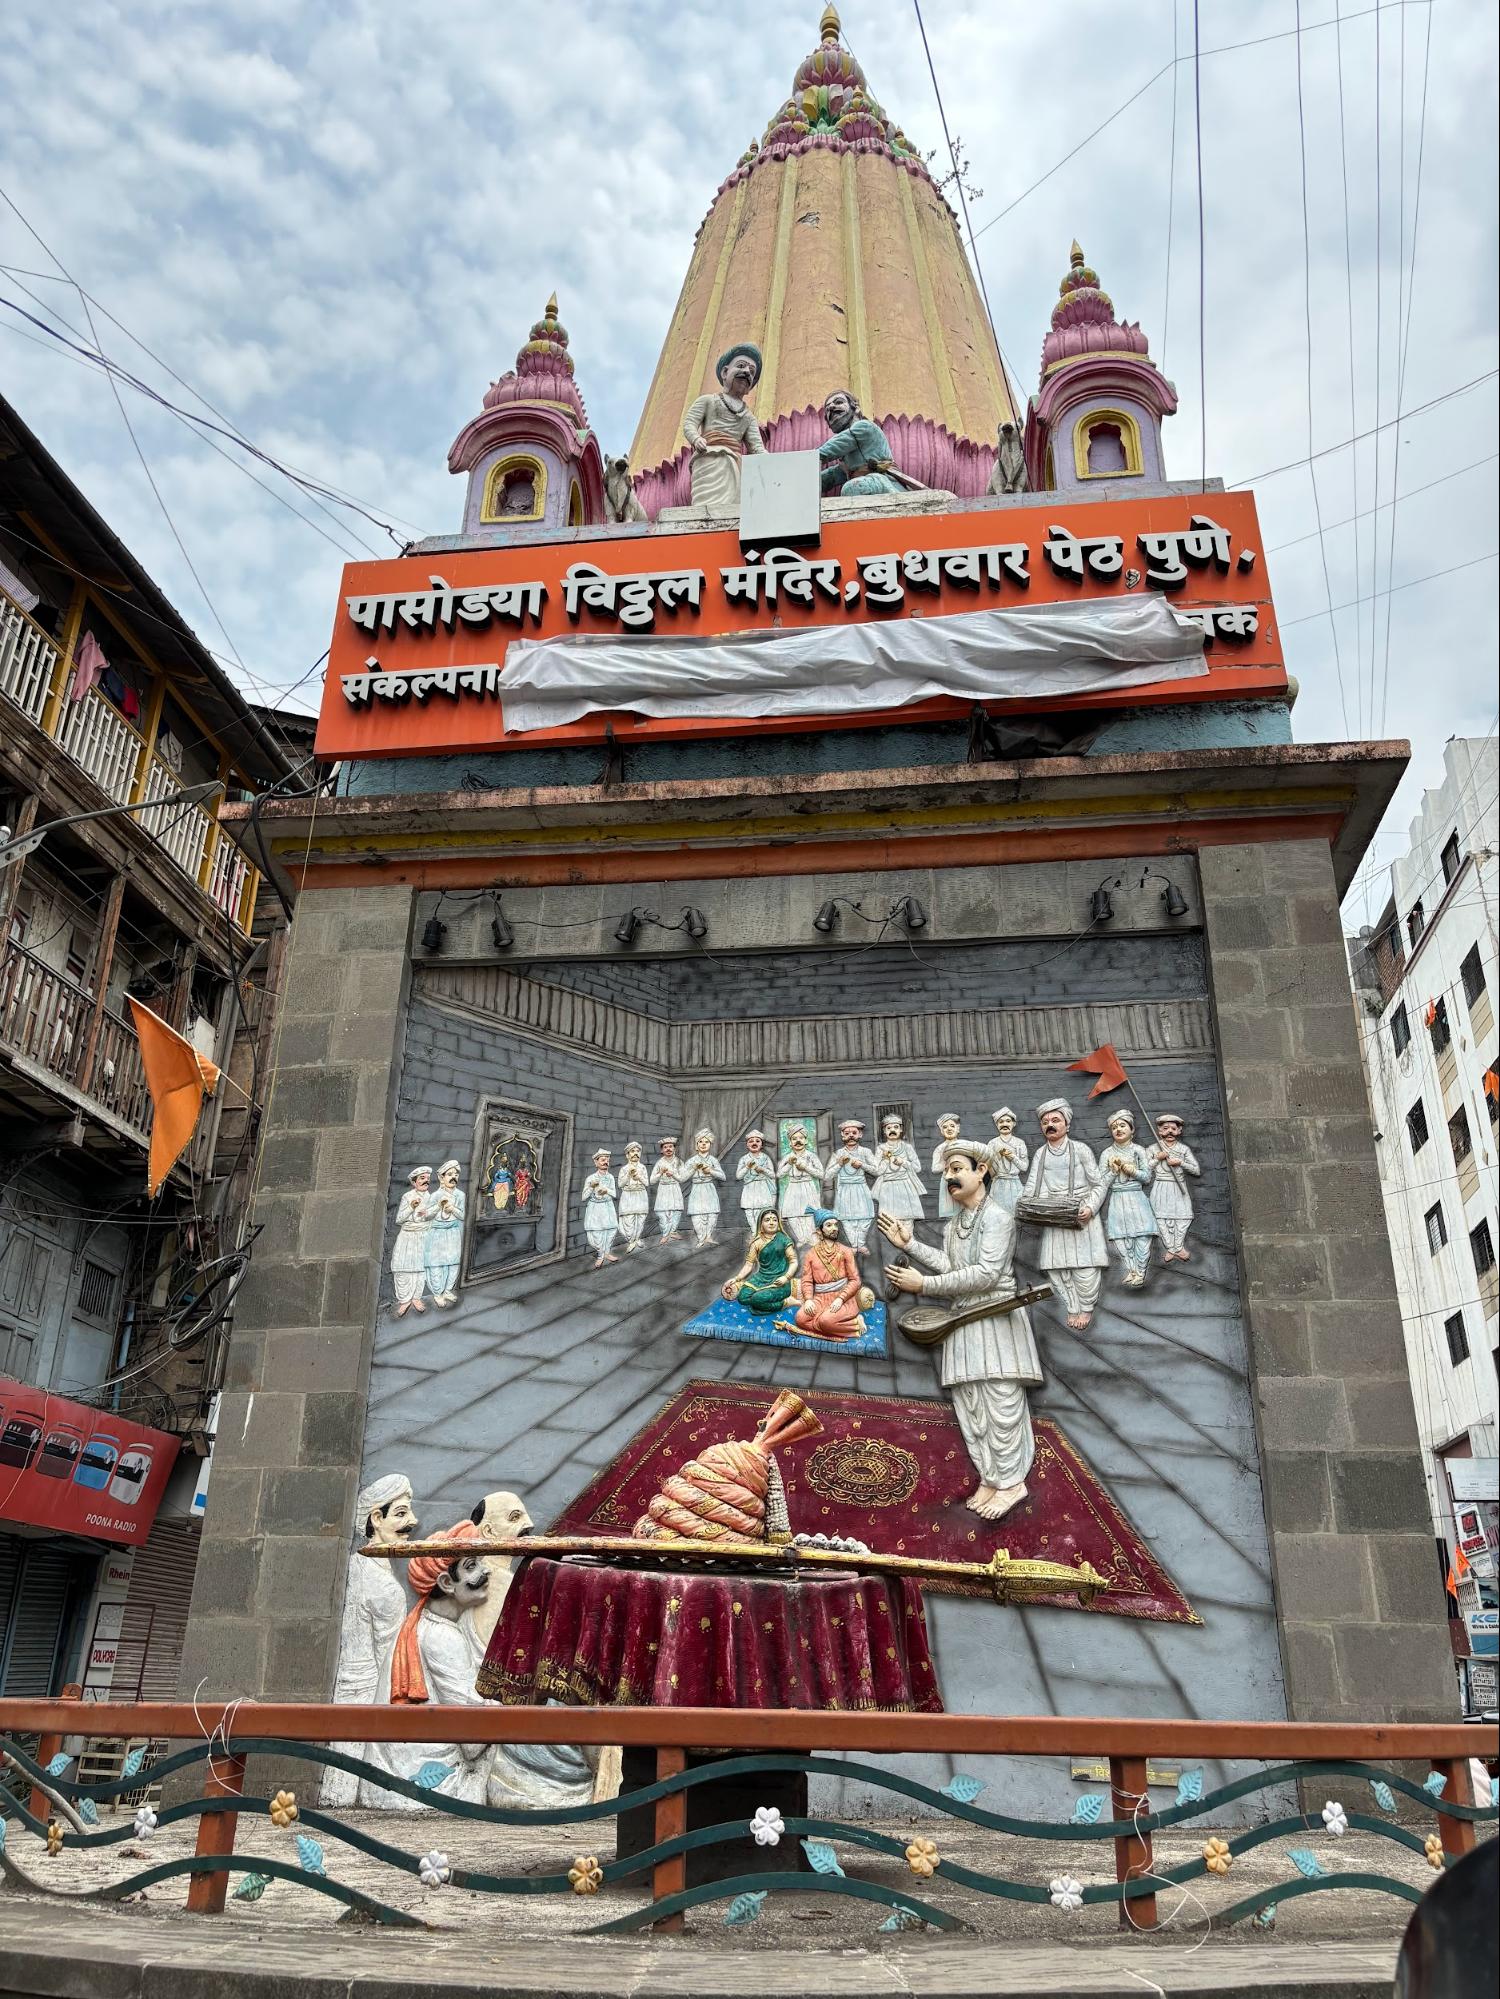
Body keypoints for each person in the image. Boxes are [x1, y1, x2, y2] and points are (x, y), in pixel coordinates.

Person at [882, 1142, 1041, 1521]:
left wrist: (924, 1287)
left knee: (1001, 1405)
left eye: (956, 1169)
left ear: (981, 1169)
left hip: (995, 1321)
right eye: (946, 1173)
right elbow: (952, 1266)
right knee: (971, 1407)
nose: (949, 1177)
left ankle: (1013, 1482)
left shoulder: (998, 1218)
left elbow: (985, 1275)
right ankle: (991, 1477)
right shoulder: (956, 1225)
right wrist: (911, 1245)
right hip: (963, 1322)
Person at [390, 1521, 595, 1811]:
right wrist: (512, 1700)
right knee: (551, 1723)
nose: (485, 1571)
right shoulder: (441, 1637)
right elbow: (471, 1737)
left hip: (477, 1735)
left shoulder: (448, 1625)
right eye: (472, 1566)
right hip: (452, 1772)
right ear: (447, 1584)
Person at [324, 1474, 419, 1807]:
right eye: (402, 1513)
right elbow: (388, 1657)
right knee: (350, 1771)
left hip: (348, 1684)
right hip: (366, 1688)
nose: (413, 1522)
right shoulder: (387, 1589)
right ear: (376, 1519)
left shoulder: (355, 1565)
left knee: (341, 1770)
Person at [1020, 1100, 1108, 1330]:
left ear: (1067, 1125)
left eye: (1055, 1120)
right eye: (1045, 1122)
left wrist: (1090, 1208)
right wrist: (1025, 1204)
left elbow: (1098, 1185)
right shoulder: (1041, 1154)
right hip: (1054, 1216)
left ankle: (1087, 1308)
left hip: (1081, 1214)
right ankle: (1071, 1306)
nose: (1050, 1125)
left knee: (1085, 1268)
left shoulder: (1081, 1150)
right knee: (1057, 1269)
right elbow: (1031, 1188)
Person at [683, 344, 764, 511]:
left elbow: (757, 448)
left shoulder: (748, 417)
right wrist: (696, 438)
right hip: (708, 459)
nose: (747, 372)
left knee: (731, 509)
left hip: (734, 464)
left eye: (752, 371)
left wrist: (776, 462)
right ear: (725, 372)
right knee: (704, 508)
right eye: (741, 366)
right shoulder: (708, 400)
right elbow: (689, 423)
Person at [777, 1209, 869, 1341]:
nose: (834, 1228)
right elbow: (807, 1281)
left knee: (825, 1321)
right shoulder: (811, 1254)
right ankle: (826, 1325)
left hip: (843, 1298)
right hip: (820, 1299)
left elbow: (855, 1281)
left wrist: (841, 1299)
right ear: (819, 1231)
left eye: (835, 1225)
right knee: (800, 1319)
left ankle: (855, 1323)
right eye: (829, 1225)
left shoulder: (846, 1251)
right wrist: (808, 1299)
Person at [818, 389, 920, 497]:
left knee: (854, 487)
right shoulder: (848, 460)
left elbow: (827, 452)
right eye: (827, 409)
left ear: (856, 408)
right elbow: (833, 476)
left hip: (885, 482)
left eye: (838, 402)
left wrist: (804, 461)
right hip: (870, 483)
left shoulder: (864, 427)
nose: (831, 408)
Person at [1097, 1110, 1158, 1287]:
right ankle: (1131, 1269)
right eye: (1114, 1127)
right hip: (1117, 1198)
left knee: (1142, 1236)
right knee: (1121, 1239)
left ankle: (1141, 1270)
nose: (1118, 1129)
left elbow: (1146, 1177)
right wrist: (1112, 1172)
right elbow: (1101, 1181)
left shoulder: (1139, 1150)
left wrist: (1132, 1170)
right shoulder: (1107, 1153)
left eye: (1122, 1125)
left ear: (1132, 1129)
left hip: (1136, 1197)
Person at [722, 1208, 798, 1313]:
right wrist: (737, 1278)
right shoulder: (756, 1242)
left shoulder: (784, 1240)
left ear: (778, 1223)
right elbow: (749, 1265)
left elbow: (793, 1261)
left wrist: (786, 1277)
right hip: (761, 1278)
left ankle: (786, 1302)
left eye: (774, 1220)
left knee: (757, 1299)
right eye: (767, 1220)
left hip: (779, 1281)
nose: (771, 1223)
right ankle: (762, 1301)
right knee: (742, 1298)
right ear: (761, 1224)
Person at [1149, 1114, 1201, 1262]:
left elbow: (1196, 1170)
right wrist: (1156, 1159)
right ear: (1159, 1131)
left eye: (1173, 1128)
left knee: (1184, 1217)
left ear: (1179, 1131)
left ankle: (1178, 1246)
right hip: (1160, 1186)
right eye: (1165, 1128)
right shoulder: (1153, 1148)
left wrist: (1181, 1163)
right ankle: (1170, 1247)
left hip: (1179, 1186)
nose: (1169, 1132)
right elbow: (1144, 1169)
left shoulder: (1183, 1149)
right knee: (1160, 1219)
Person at [824, 1118, 877, 1251]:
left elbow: (877, 1170)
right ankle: (854, 1245)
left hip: (860, 1188)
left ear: (860, 1134)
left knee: (865, 1217)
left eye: (854, 1132)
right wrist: (839, 1164)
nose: (851, 1136)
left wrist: (862, 1165)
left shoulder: (865, 1152)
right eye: (847, 1133)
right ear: (842, 1136)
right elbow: (828, 1175)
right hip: (845, 1189)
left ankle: (861, 1243)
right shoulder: (838, 1154)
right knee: (847, 1219)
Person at [391, 1167, 434, 1316]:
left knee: (420, 1269)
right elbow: (399, 1219)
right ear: (415, 1182)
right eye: (422, 1178)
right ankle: (404, 1300)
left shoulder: (431, 1198)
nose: (426, 1181)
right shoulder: (407, 1196)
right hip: (407, 1236)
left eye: (427, 1178)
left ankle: (416, 1298)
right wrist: (411, 1207)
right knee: (403, 1267)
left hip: (423, 1235)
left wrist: (428, 1214)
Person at [425, 1160, 465, 1305]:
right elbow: (427, 1215)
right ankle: (437, 1292)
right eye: (449, 1174)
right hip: (437, 1233)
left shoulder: (460, 1195)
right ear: (442, 1177)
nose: (453, 1177)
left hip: (453, 1232)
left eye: (456, 1174)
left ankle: (448, 1290)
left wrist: (453, 1209)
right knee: (436, 1263)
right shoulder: (435, 1195)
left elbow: (463, 1215)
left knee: (453, 1263)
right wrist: (438, 1206)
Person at [872, 1114, 926, 1224]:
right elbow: (876, 1171)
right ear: (884, 1131)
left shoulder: (907, 1148)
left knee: (907, 1221)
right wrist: (886, 1160)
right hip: (887, 1187)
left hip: (905, 1185)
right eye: (889, 1128)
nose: (892, 1130)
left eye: (896, 1127)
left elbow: (917, 1167)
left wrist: (904, 1162)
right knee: (889, 1221)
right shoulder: (880, 1149)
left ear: (901, 1129)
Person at [777, 1126, 825, 1247]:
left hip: (807, 1185)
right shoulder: (787, 1157)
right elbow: (779, 1174)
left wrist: (806, 1168)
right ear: (790, 1142)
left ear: (806, 1140)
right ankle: (801, 1237)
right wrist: (789, 1164)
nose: (798, 1141)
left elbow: (821, 1174)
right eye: (794, 1138)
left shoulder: (811, 1156)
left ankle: (811, 1236)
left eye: (801, 1138)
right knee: (793, 1214)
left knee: (808, 1212)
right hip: (793, 1187)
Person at [684, 1128, 725, 1247]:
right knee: (697, 1216)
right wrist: (693, 1169)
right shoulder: (692, 1161)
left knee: (711, 1215)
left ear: (710, 1145)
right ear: (696, 1145)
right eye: (700, 1142)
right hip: (697, 1189)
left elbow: (722, 1176)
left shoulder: (713, 1160)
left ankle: (708, 1236)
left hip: (709, 1188)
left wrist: (711, 1170)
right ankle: (701, 1238)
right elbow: (683, 1177)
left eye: (706, 1142)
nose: (703, 1144)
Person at [984, 1108, 1028, 1216]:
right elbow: (989, 1170)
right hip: (998, 1184)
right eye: (1001, 1122)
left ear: (1013, 1124)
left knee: (1015, 1215)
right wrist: (997, 1156)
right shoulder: (992, 1143)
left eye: (1008, 1121)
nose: (1005, 1124)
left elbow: (1024, 1167)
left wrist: (1013, 1157)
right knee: (997, 1215)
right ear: (997, 1125)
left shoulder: (1019, 1143)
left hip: (1015, 1185)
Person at [581, 1149, 619, 1266]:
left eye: (607, 1160)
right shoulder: (590, 1178)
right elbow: (583, 1197)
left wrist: (606, 1190)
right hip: (595, 1208)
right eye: (602, 1160)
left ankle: (606, 1253)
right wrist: (591, 1187)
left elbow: (614, 1194)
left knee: (610, 1230)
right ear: (596, 1163)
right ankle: (600, 1254)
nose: (605, 1162)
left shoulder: (611, 1177)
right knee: (596, 1233)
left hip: (607, 1206)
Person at [735, 1130, 778, 1228]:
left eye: (757, 1141)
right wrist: (747, 1167)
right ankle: (754, 1232)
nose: (754, 1143)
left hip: (762, 1187)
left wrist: (762, 1169)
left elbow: (772, 1175)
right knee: (750, 1212)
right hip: (749, 1188)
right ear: (747, 1145)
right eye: (751, 1141)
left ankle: (762, 1232)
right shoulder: (744, 1159)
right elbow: (738, 1176)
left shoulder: (766, 1158)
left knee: (762, 1211)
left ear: (761, 1144)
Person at [616, 1141, 651, 1253]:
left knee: (640, 1219)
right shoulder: (624, 1169)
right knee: (628, 1220)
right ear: (627, 1155)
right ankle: (631, 1240)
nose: (635, 1153)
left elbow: (646, 1183)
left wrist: (638, 1176)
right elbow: (620, 1185)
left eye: (637, 1151)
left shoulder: (642, 1168)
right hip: (628, 1195)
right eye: (632, 1151)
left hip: (640, 1194)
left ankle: (636, 1239)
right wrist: (628, 1175)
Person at [651, 1136, 684, 1242]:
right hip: (663, 1189)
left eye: (670, 1146)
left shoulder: (679, 1162)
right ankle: (665, 1234)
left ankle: (673, 1231)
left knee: (676, 1211)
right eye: (665, 1147)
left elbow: (683, 1178)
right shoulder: (659, 1163)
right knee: (662, 1213)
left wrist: (673, 1174)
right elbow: (651, 1181)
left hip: (674, 1188)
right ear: (662, 1150)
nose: (668, 1149)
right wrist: (660, 1173)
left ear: (674, 1148)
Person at [931, 1114, 963, 1219]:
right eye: (945, 1127)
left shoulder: (964, 1145)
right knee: (950, 1211)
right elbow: (934, 1168)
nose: (949, 1129)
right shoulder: (940, 1148)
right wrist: (945, 1165)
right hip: (947, 1181)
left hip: (963, 1180)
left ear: (958, 1128)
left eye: (952, 1126)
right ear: (941, 1131)